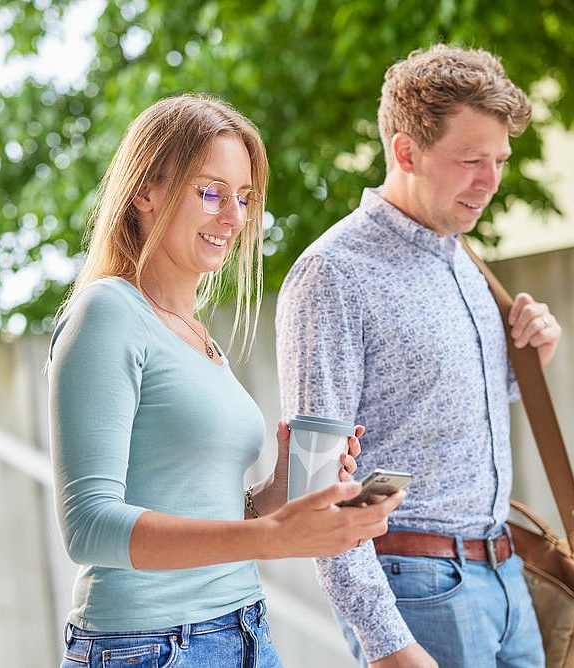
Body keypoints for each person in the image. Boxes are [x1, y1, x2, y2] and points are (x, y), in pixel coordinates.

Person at [48, 93, 405, 668]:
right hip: (148, 647)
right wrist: (274, 537)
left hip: (243, 630)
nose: (235, 219)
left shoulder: (196, 335)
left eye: (244, 198)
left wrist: (276, 492)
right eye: (210, 192)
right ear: (145, 191)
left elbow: (204, 511)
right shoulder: (107, 312)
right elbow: (88, 527)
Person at [275, 44, 562, 667]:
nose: (489, 180)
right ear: (406, 151)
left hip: (507, 576)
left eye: (500, 160)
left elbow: (433, 413)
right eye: (470, 160)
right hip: (419, 591)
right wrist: (388, 645)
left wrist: (527, 365)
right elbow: (318, 486)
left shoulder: (461, 256)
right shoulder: (331, 274)